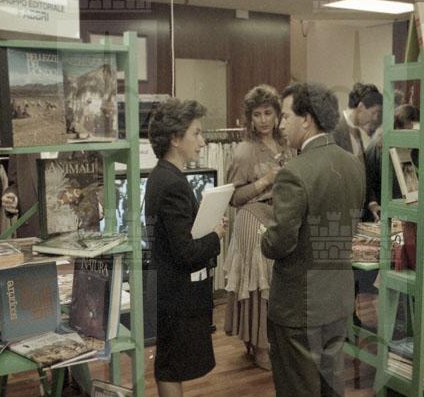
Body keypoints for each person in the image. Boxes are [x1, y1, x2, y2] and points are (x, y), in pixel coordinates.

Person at [261, 82, 365, 396]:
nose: (280, 124)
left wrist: (265, 237)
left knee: (298, 388)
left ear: (307, 119)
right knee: (331, 386)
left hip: (299, 306)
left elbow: (280, 242)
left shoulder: (294, 172)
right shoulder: (353, 164)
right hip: (338, 299)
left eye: (285, 116)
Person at [144, 99, 227, 397]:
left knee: (170, 362)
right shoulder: (173, 184)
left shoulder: (161, 175)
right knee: (171, 365)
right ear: (175, 138)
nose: (202, 142)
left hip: (168, 288)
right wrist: (215, 235)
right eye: (196, 133)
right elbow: (186, 253)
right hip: (177, 293)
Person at [223, 84, 293, 370]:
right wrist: (265, 181)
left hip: (280, 216)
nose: (263, 120)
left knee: (279, 284)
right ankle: (259, 346)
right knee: (259, 280)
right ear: (249, 118)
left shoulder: (288, 145)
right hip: (252, 216)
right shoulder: (244, 151)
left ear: (277, 114)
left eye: (268, 113)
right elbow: (233, 197)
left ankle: (268, 340)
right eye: (257, 114)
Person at [331, 82, 383, 163]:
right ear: (361, 107)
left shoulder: (357, 131)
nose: (375, 118)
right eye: (373, 113)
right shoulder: (334, 130)